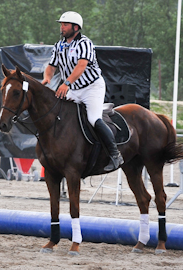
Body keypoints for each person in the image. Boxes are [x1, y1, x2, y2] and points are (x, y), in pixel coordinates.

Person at [42, 11, 123, 171]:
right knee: (59, 115)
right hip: (73, 89)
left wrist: (66, 83)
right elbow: (51, 66)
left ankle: (115, 154)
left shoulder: (85, 43)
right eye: (61, 24)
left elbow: (81, 66)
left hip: (91, 88)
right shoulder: (59, 45)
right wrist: (47, 78)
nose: (62, 27)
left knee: (93, 119)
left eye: (65, 25)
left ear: (75, 27)